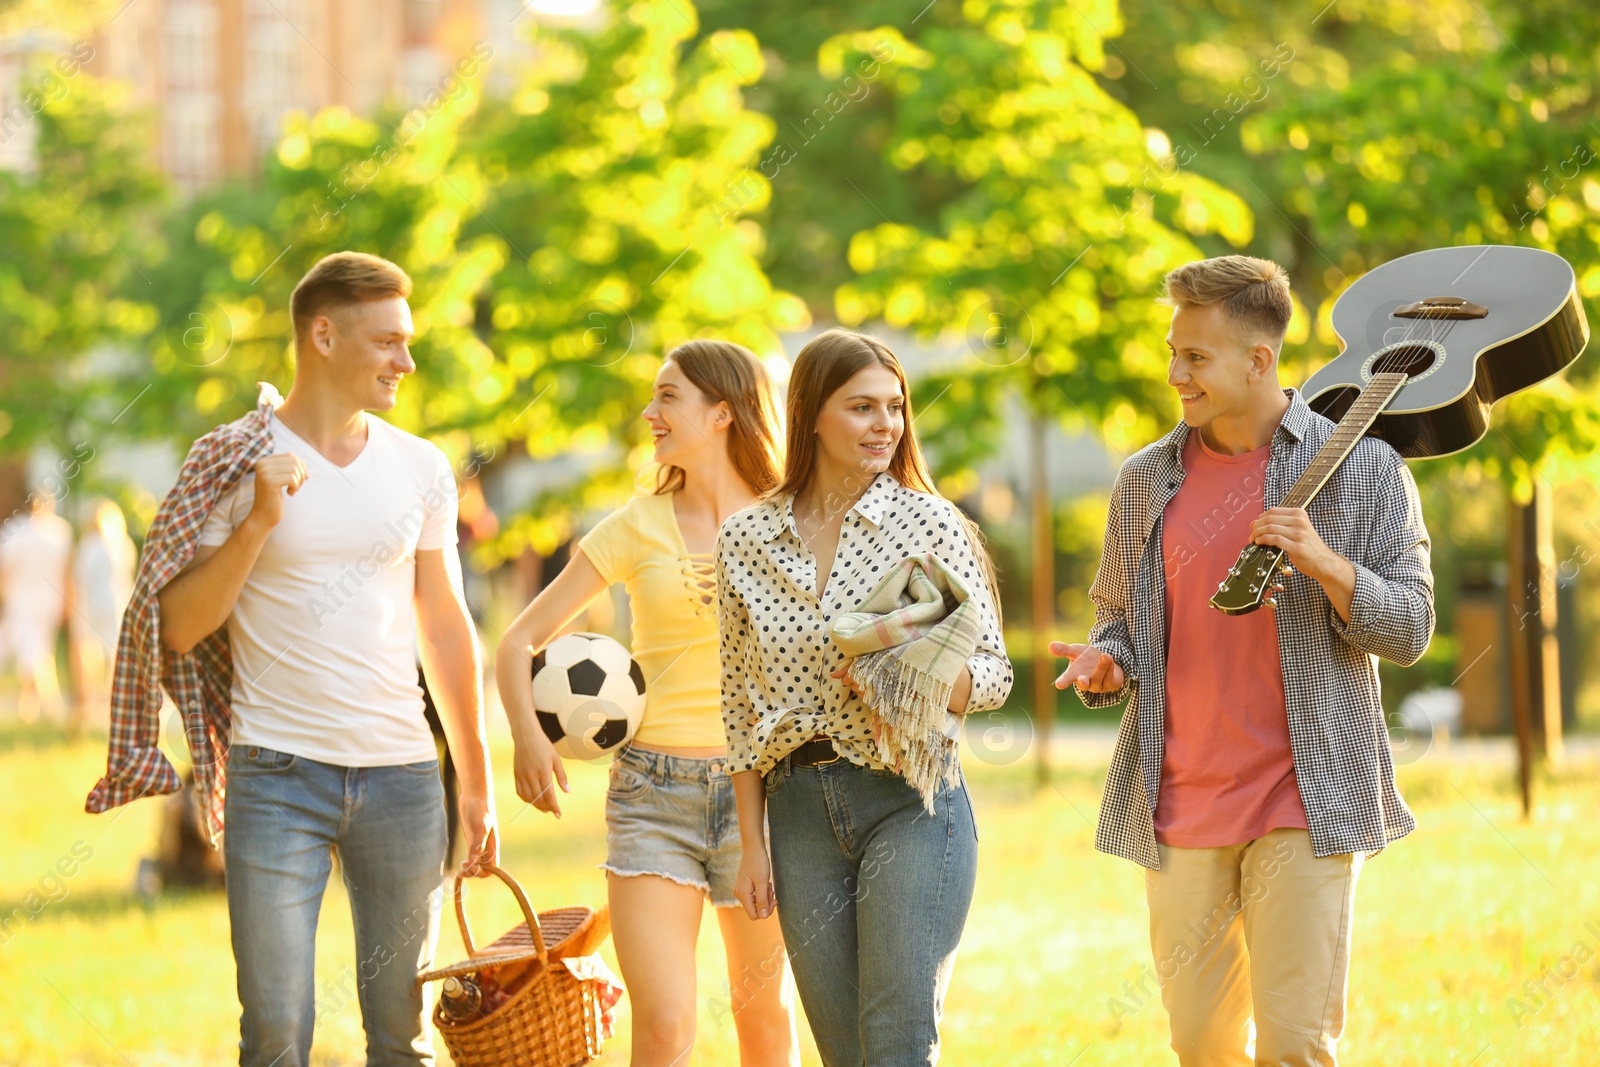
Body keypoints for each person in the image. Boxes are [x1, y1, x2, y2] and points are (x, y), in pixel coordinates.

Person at [87, 251, 497, 1067]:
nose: (405, 362)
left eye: (407, 342)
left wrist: (476, 775)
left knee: (401, 1036)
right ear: (322, 335)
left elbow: (445, 624)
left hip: (404, 779)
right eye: (387, 342)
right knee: (275, 1031)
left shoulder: (421, 466)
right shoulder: (235, 462)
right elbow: (176, 626)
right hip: (276, 777)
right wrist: (258, 521)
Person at [1053, 255, 1434, 1066]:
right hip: (1183, 801)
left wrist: (1329, 564)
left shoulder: (1362, 468)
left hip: (1308, 796)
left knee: (1294, 1044)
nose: (1175, 373)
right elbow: (1117, 619)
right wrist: (1107, 661)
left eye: (1196, 356)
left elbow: (1411, 628)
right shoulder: (1143, 481)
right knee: (1202, 1045)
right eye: (1173, 351)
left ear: (1259, 361)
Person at [497, 340, 799, 1067]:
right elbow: (516, 642)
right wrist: (528, 737)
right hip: (652, 796)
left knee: (765, 1022)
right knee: (664, 1027)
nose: (649, 411)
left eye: (668, 396)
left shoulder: (792, 522)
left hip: (764, 797)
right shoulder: (636, 524)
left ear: (721, 412)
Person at [715, 328, 1012, 1066]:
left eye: (895, 406)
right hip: (798, 813)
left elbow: (996, 674)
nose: (887, 425)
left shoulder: (929, 521)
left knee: (897, 1043)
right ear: (811, 412)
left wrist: (914, 668)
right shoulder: (744, 537)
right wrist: (751, 844)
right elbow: (738, 706)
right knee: (844, 1053)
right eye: (861, 407)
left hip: (911, 800)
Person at [0, 491, 73, 720]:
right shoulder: (61, 532)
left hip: (21, 599)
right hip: (49, 600)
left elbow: (5, 572)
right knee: (37, 650)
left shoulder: (14, 530)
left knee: (33, 652)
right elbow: (66, 573)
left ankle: (49, 705)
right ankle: (33, 706)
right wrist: (68, 603)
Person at [69, 497, 137, 734]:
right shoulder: (123, 544)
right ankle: (108, 701)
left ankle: (90, 702)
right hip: (116, 605)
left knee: (91, 656)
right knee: (114, 655)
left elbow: (79, 579)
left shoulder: (89, 545)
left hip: (92, 606)